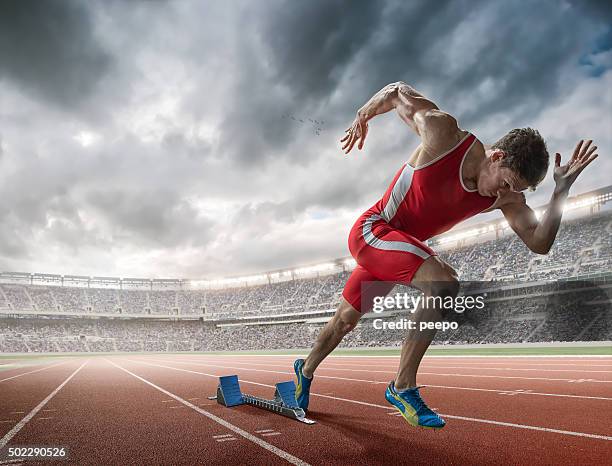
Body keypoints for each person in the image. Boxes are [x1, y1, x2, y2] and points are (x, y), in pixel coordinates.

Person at [293, 81, 598, 428]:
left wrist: (561, 192)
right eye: (507, 182)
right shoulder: (444, 135)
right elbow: (396, 93)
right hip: (374, 231)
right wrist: (363, 115)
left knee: (344, 322)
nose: (506, 193)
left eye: (516, 191)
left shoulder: (507, 198)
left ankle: (304, 370)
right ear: (496, 157)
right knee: (443, 283)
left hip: (399, 250)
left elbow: (539, 243)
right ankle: (402, 387)